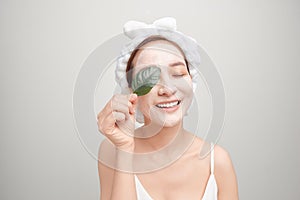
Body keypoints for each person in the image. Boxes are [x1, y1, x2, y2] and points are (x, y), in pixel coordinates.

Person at [97, 17, 238, 200]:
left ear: (191, 82)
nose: (168, 89)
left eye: (178, 74)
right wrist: (125, 150)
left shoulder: (218, 161)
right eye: (151, 78)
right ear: (132, 92)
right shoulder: (112, 150)